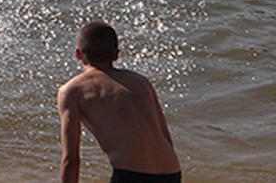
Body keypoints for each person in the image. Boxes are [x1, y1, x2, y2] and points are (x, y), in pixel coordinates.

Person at [57, 21, 182, 183]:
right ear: (116, 54)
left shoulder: (72, 90)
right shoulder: (141, 82)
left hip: (130, 175)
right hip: (171, 172)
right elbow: (165, 138)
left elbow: (71, 160)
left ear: (78, 54)